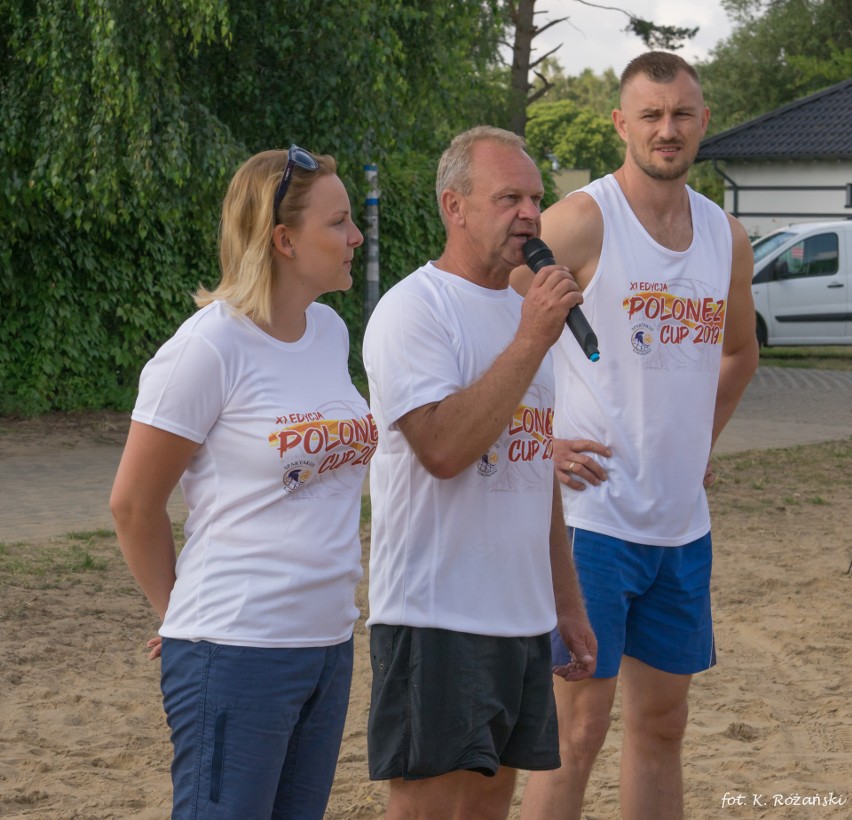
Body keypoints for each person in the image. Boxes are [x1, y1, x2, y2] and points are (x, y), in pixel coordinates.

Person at [511, 52, 760, 820]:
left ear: (703, 121)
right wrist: (536, 441)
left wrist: (699, 444)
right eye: (650, 115)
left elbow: (740, 354)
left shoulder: (726, 237)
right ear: (621, 124)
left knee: (663, 724)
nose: (667, 129)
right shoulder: (585, 219)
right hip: (594, 524)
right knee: (578, 729)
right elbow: (485, 316)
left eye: (681, 114)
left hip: (681, 529)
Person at [110, 146, 373, 819]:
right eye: (339, 223)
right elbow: (134, 504)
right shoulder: (208, 348)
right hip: (236, 647)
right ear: (284, 240)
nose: (357, 237)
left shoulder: (328, 331)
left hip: (326, 644)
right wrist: (180, 615)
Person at [361, 125, 598, 820]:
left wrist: (566, 602)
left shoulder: (524, 311)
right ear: (454, 207)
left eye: (534, 197)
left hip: (519, 616)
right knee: (433, 808)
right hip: (436, 615)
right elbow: (442, 449)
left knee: (489, 807)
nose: (529, 213)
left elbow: (532, 471)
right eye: (508, 198)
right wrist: (531, 337)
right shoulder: (414, 311)